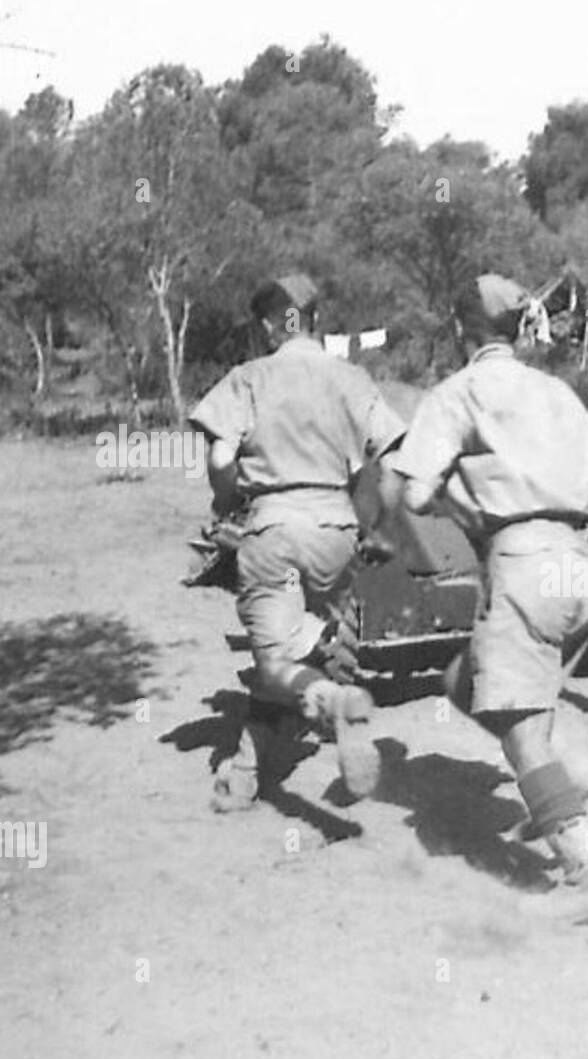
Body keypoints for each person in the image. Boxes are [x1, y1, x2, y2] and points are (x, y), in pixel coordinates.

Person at [391, 274, 588, 883]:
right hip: (583, 570)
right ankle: (571, 771)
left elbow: (413, 495)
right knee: (463, 682)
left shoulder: (455, 393)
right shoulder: (554, 390)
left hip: (521, 567)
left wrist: (459, 494)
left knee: (520, 733)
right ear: (522, 328)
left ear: (457, 328)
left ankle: (582, 863)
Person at [188, 273, 407, 810]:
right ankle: (243, 777)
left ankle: (334, 703)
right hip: (336, 538)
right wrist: (376, 526)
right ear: (314, 320)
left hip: (275, 533)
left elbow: (219, 459)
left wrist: (224, 500)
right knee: (290, 648)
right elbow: (396, 461)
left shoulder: (249, 378)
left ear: (269, 324)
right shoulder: (352, 377)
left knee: (272, 664)